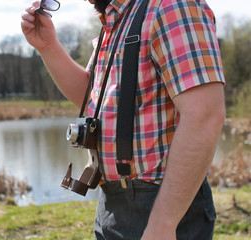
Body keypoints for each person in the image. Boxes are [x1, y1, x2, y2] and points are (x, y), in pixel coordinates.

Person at [21, 0, 225, 239]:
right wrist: (48, 47)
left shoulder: (171, 6)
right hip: (113, 203)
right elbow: (93, 99)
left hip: (159, 207)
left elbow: (205, 115)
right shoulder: (118, 19)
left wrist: (163, 223)